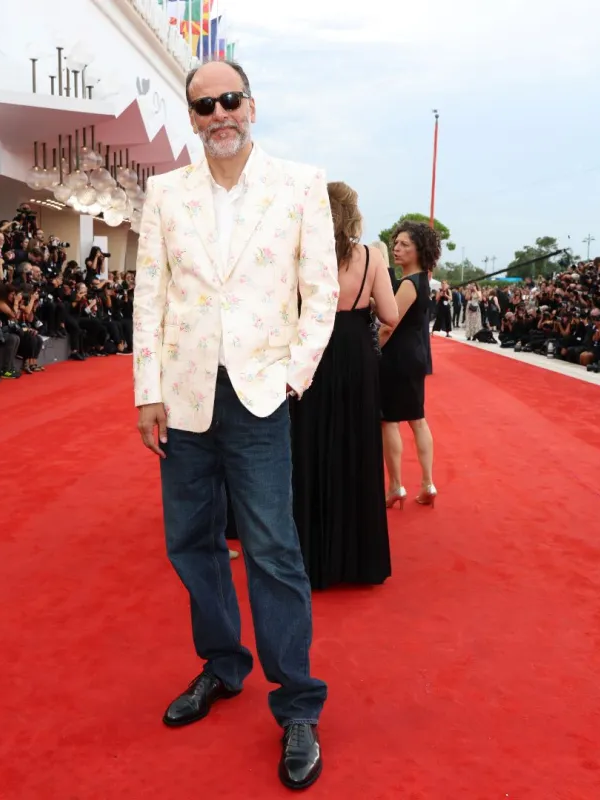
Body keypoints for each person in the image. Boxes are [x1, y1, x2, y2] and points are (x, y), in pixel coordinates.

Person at [133, 60, 337, 791]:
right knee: (190, 542)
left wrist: (293, 374)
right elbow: (149, 294)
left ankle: (298, 704)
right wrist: (146, 390)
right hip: (184, 396)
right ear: (190, 117)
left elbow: (321, 293)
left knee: (273, 548)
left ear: (252, 105)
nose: (218, 113)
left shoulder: (300, 185)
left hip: (258, 395)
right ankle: (222, 666)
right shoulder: (163, 192)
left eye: (229, 100)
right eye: (203, 105)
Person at [291, 181, 398, 590]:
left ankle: (310, 558)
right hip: (356, 356)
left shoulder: (303, 255)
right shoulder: (372, 257)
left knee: (310, 446)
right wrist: (365, 301)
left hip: (312, 354)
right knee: (356, 449)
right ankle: (359, 562)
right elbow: (389, 314)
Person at [378, 220, 440, 508]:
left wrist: (371, 351)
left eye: (404, 244)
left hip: (396, 359)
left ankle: (395, 486)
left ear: (419, 250)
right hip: (415, 357)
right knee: (417, 419)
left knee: (389, 420)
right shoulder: (424, 281)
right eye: (396, 243)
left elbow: (389, 325)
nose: (396, 248)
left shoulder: (408, 283)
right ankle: (427, 482)